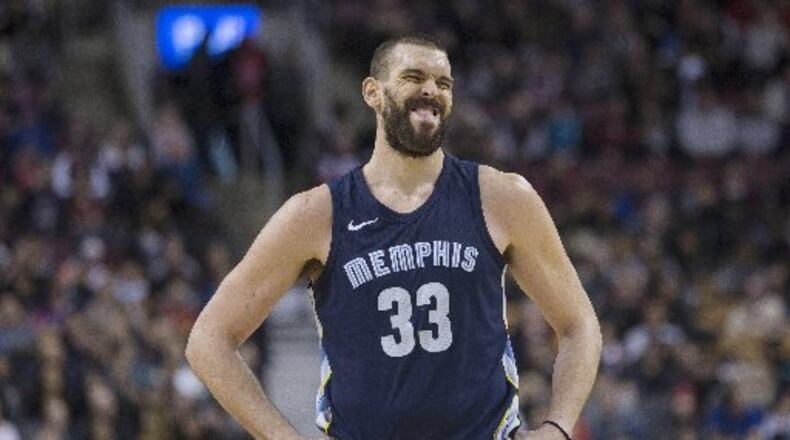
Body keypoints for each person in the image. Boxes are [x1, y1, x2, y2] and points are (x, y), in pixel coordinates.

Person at [186, 35, 602, 440]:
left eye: (443, 84)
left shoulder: (503, 197)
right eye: (413, 77)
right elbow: (209, 339)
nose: (430, 91)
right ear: (372, 92)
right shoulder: (315, 214)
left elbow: (579, 323)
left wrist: (558, 427)